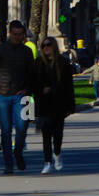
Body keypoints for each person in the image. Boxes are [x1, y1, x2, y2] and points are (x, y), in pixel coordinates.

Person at [0, 20, 35, 175]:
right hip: (1, 95)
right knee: (6, 131)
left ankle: (18, 152)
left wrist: (27, 89)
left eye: (20, 35)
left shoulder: (26, 51)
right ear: (9, 33)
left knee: (22, 128)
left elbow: (32, 74)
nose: (17, 37)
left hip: (20, 95)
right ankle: (8, 164)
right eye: (14, 34)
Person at [34, 37, 76, 173]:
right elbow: (32, 83)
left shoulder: (63, 63)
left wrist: (71, 106)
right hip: (44, 104)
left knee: (57, 134)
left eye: (48, 45)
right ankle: (47, 162)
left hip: (59, 104)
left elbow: (69, 85)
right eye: (44, 45)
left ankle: (57, 153)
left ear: (54, 46)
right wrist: (41, 89)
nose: (46, 48)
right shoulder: (38, 63)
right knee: (46, 135)